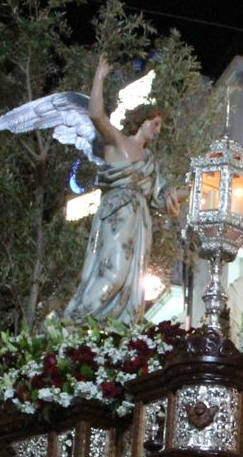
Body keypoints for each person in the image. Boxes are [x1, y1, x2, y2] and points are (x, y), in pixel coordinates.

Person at [60, 56, 183, 322]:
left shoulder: (151, 162)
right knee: (113, 270)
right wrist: (100, 77)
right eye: (156, 123)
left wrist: (196, 187)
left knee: (132, 279)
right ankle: (77, 322)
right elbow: (96, 114)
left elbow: (163, 196)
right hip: (117, 213)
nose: (158, 130)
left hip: (140, 223)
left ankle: (118, 330)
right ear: (142, 120)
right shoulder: (117, 142)